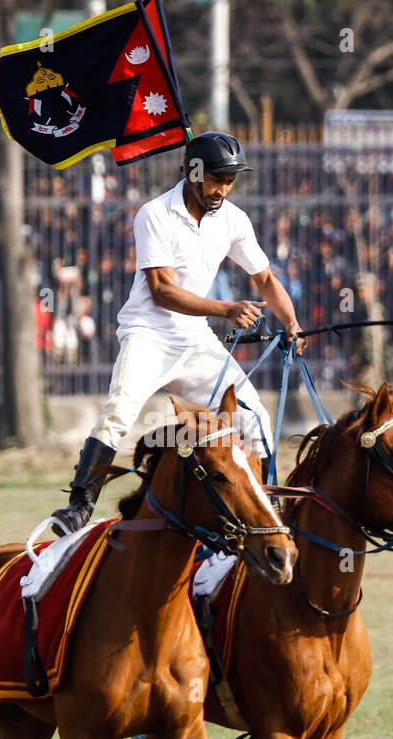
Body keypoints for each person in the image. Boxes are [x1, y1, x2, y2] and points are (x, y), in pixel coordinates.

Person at [47, 131, 305, 537]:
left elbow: (265, 278)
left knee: (254, 416)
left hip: (194, 339)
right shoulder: (154, 214)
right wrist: (226, 309)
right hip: (149, 334)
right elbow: (162, 290)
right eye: (218, 179)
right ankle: (79, 505)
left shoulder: (233, 219)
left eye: (230, 180)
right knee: (120, 410)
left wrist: (291, 323)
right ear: (194, 172)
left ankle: (265, 507)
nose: (223, 189)